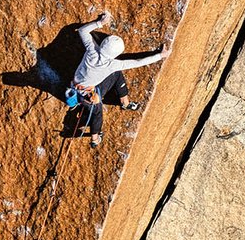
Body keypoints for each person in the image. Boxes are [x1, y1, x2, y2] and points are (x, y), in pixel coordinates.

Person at [65, 13, 171, 146]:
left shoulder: (92, 49)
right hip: (86, 95)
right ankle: (95, 139)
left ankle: (124, 103)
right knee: (97, 111)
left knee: (114, 75)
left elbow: (82, 30)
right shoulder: (113, 65)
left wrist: (101, 22)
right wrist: (161, 55)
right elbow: (138, 62)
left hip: (75, 87)